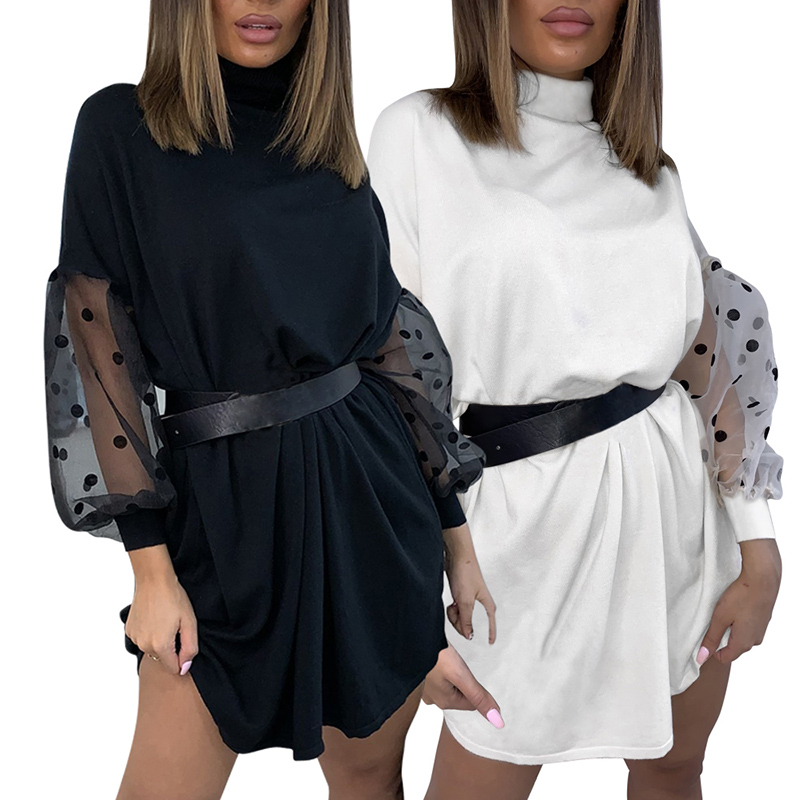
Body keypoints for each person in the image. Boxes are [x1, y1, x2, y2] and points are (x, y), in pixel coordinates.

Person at [42, 1, 499, 797]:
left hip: (371, 514)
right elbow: (98, 347)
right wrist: (150, 571)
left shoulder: (327, 146)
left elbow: (389, 354)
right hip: (220, 524)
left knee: (368, 783)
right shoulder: (121, 128)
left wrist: (457, 545)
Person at [366, 1, 784, 798]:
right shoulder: (419, 134)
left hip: (676, 521)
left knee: (673, 769)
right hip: (512, 538)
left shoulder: (648, 168)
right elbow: (389, 383)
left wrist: (758, 546)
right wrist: (408, 599)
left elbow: (707, 356)